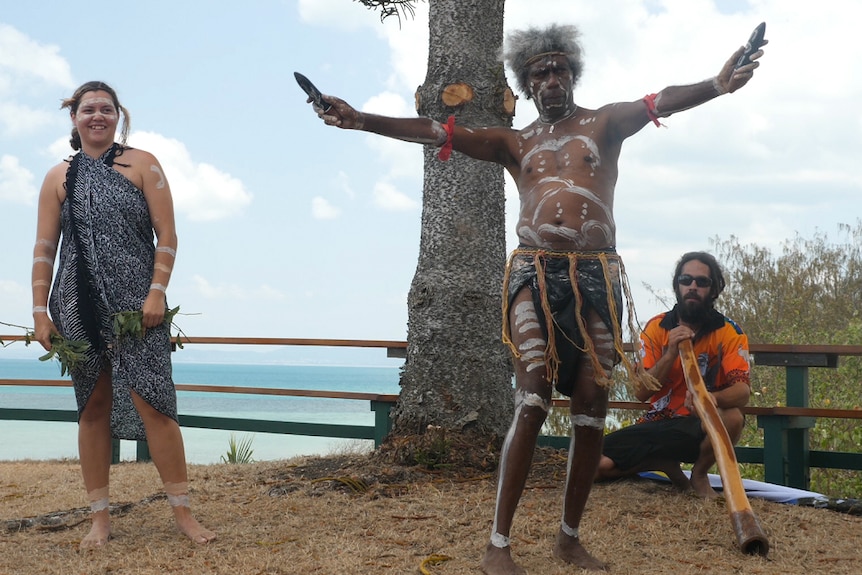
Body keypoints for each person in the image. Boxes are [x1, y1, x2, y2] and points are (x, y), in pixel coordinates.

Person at [306, 23, 764, 574]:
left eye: (559, 69)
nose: (551, 79)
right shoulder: (514, 143)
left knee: (593, 403)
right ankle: (497, 543)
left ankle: (568, 537)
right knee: (532, 400)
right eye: (539, 73)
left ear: (573, 74)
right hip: (534, 275)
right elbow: (437, 129)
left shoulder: (605, 124)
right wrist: (362, 120)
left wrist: (716, 84)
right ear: (526, 83)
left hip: (596, 275)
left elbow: (660, 99)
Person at [31, 81, 216, 548]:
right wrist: (39, 311)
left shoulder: (144, 164)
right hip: (74, 305)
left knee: (155, 403)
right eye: (87, 109)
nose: (97, 116)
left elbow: (168, 234)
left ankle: (184, 515)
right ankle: (100, 518)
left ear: (119, 116)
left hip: (139, 306)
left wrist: (157, 293)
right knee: (92, 406)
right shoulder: (58, 176)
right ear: (73, 118)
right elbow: (44, 249)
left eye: (106, 109)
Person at [596, 252, 751, 498]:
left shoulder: (729, 332)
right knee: (595, 465)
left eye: (702, 282)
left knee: (732, 417)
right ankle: (663, 464)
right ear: (677, 285)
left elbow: (743, 392)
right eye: (686, 280)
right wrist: (669, 354)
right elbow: (640, 392)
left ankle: (698, 474)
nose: (692, 287)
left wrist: (712, 398)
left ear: (714, 290)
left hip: (700, 425)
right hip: (659, 422)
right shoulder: (656, 328)